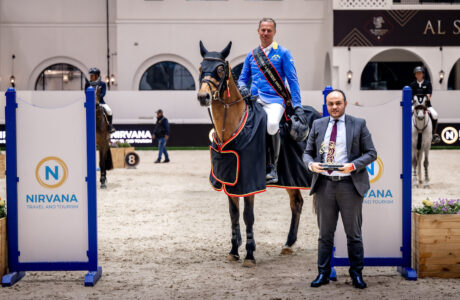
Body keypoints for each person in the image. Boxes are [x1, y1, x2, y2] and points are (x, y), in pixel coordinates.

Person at [303, 90, 377, 289]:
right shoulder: (318, 124)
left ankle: (357, 275)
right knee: (324, 235)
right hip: (324, 186)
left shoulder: (358, 123)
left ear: (345, 103)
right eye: (330, 103)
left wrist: (353, 165)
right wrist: (311, 165)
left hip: (349, 186)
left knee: (354, 234)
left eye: (338, 103)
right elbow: (307, 153)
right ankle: (323, 274)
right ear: (326, 105)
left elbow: (371, 153)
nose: (334, 107)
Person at [238, 17, 306, 184]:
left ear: (274, 32)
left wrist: (297, 105)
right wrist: (243, 88)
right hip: (254, 100)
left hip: (275, 99)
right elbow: (241, 79)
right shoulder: (252, 54)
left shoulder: (283, 53)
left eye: (269, 30)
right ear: (258, 31)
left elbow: (292, 80)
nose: (266, 33)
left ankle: (272, 167)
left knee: (272, 124)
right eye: (263, 30)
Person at [409, 66, 440, 144]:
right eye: (417, 73)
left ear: (423, 74)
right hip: (415, 105)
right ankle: (406, 133)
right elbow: (411, 96)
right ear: (415, 75)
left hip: (426, 105)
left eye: (420, 73)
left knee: (435, 115)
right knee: (406, 114)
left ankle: (433, 134)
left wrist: (423, 100)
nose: (418, 75)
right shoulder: (412, 84)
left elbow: (429, 96)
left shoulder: (427, 83)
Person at [85, 67, 115, 133]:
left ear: (97, 76)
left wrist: (97, 98)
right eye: (90, 75)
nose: (91, 77)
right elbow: (86, 93)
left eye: (92, 75)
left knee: (109, 111)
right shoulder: (88, 84)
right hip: (90, 103)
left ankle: (110, 126)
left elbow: (103, 93)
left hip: (100, 102)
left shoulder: (102, 84)